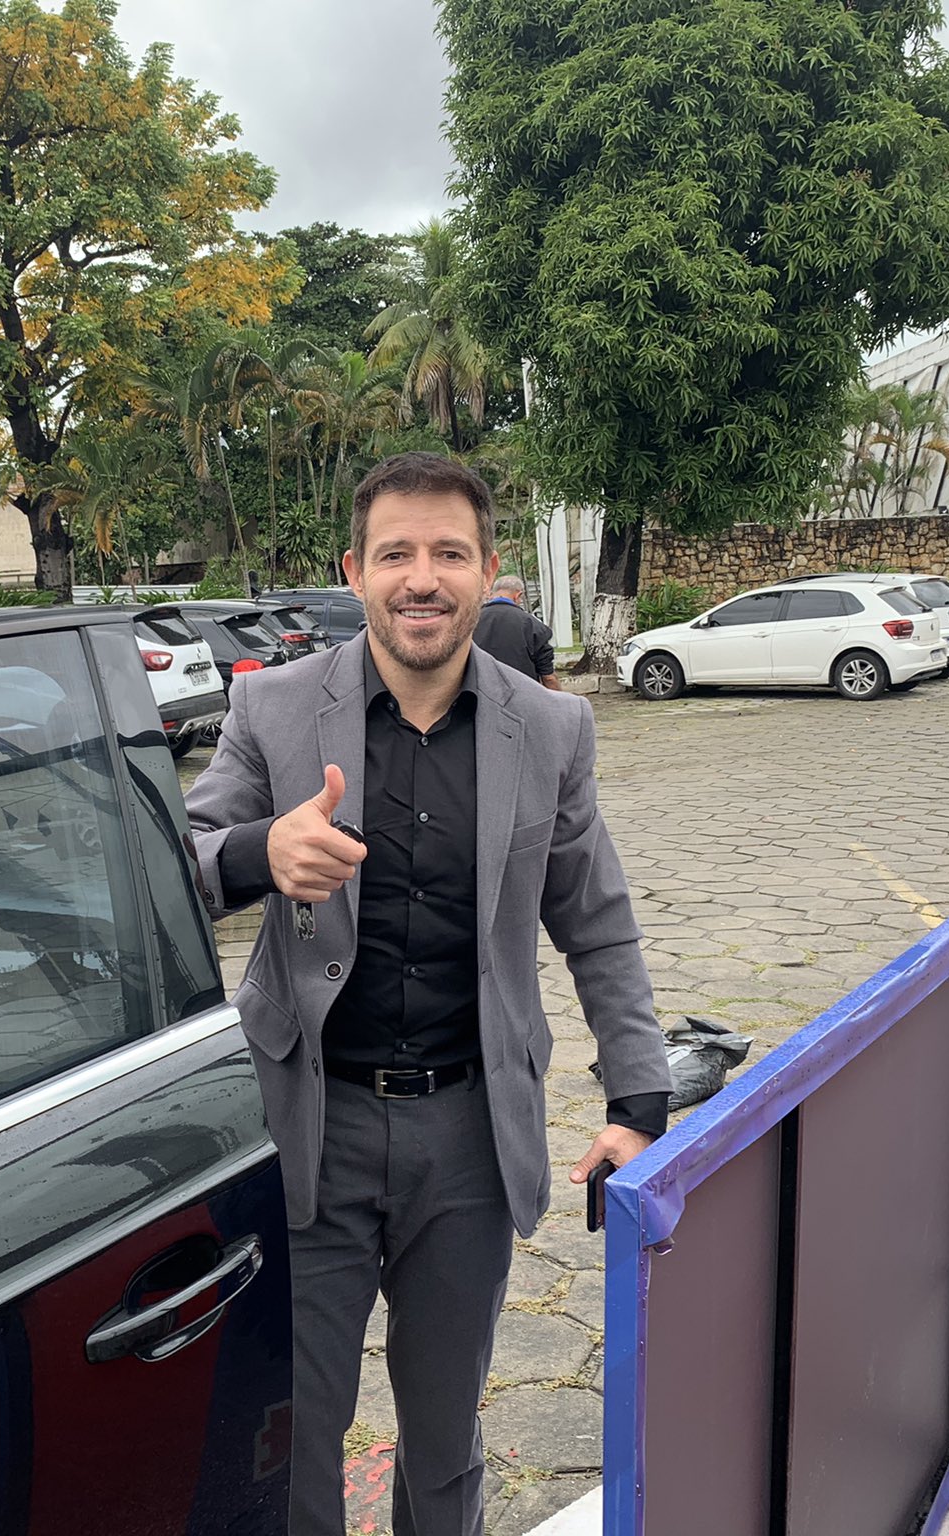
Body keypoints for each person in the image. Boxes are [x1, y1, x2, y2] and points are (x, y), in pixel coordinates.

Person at [184, 451, 669, 1536]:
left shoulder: (550, 729)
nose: (421, 578)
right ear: (353, 571)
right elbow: (183, 859)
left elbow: (595, 921)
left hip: (466, 1136)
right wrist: (263, 851)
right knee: (293, 1437)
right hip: (308, 1125)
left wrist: (638, 1101)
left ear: (488, 572)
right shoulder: (270, 708)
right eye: (395, 553)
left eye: (449, 553)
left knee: (445, 1444)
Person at [472, 574, 562, 687]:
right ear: (518, 595)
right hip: (522, 693)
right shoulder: (533, 625)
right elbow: (548, 678)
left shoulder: (470, 621)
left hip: (479, 692)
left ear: (492, 593)